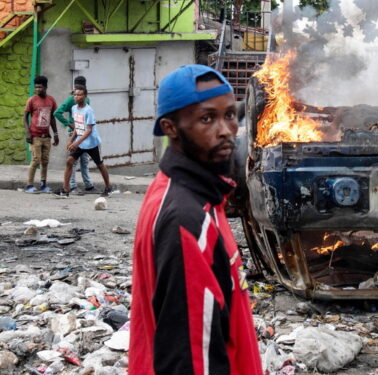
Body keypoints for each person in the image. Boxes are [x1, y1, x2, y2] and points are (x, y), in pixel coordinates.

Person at [129, 65, 262, 374]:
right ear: (171, 128)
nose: (226, 130)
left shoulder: (201, 196)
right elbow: (190, 359)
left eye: (230, 115)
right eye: (207, 118)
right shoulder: (188, 221)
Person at [56, 87, 113, 197]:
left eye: (79, 95)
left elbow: (89, 130)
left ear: (85, 96)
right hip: (80, 142)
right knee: (69, 161)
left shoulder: (88, 110)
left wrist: (76, 143)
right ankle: (65, 189)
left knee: (100, 164)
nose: (76, 97)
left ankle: (108, 187)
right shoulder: (74, 108)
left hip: (92, 143)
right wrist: (71, 140)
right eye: (75, 95)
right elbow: (78, 127)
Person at [54, 76, 95, 194]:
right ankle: (72, 186)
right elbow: (57, 113)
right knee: (73, 160)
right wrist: (69, 124)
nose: (78, 89)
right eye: (77, 86)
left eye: (81, 86)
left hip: (84, 134)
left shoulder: (87, 100)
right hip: (75, 134)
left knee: (84, 160)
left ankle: (88, 185)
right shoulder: (70, 100)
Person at [23, 76, 59, 193]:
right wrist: (28, 132)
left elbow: (52, 118)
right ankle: (29, 185)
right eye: (36, 87)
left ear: (45, 87)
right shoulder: (32, 100)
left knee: (45, 161)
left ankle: (43, 185)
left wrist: (56, 133)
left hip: (46, 137)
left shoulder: (51, 100)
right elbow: (24, 118)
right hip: (35, 136)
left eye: (40, 87)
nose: (38, 89)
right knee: (35, 160)